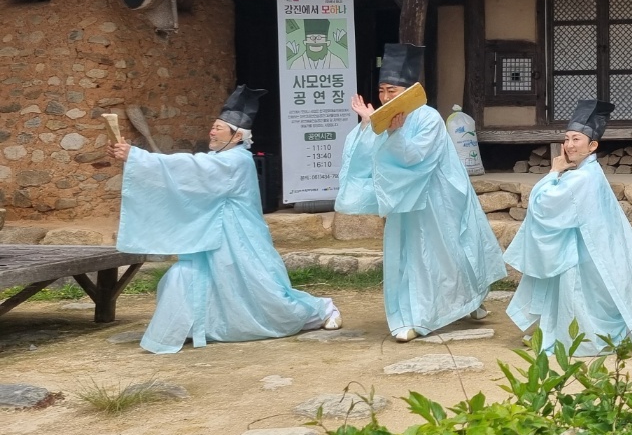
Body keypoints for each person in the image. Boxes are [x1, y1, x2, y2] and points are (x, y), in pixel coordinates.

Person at [110, 86, 341, 354]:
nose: (212, 131)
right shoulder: (219, 158)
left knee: (260, 290)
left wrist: (138, 157)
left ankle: (321, 309)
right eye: (213, 126)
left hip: (237, 236)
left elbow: (191, 168)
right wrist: (136, 160)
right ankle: (195, 325)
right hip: (211, 231)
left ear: (237, 136)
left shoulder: (236, 161)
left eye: (219, 128)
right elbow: (190, 178)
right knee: (186, 276)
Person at [335, 43, 506, 342]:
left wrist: (394, 133)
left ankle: (460, 304)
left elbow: (416, 158)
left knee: (448, 252)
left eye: (393, 91)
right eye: (383, 91)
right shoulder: (387, 119)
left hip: (437, 197)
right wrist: (367, 125)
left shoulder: (428, 118)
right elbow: (368, 158)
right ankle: (415, 316)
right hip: (404, 199)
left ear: (410, 91)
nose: (386, 97)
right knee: (412, 255)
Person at [504, 100, 632, 358]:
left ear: (592, 146)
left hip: (582, 252)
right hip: (593, 246)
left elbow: (543, 205)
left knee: (580, 294)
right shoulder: (588, 171)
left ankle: (575, 337)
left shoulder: (582, 176)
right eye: (566, 138)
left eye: (576, 139)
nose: (569, 145)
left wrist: (553, 173)